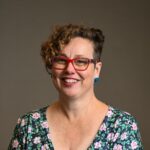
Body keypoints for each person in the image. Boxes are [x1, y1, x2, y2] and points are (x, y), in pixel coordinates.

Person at [8, 24, 143, 150]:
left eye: (80, 61)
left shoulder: (122, 126)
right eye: (61, 60)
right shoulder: (28, 126)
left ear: (97, 69)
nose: (70, 69)